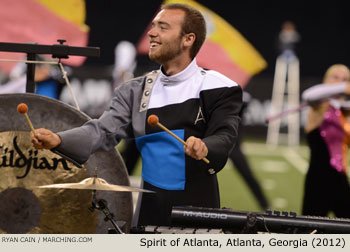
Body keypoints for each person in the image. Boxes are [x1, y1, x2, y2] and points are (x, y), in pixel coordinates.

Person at [30, 3, 242, 227]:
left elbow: (225, 135)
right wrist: (60, 139)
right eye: (153, 26)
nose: (151, 33)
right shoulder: (134, 91)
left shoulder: (218, 87)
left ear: (188, 39)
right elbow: (103, 130)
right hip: (147, 214)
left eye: (163, 27)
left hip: (198, 215)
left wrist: (205, 146)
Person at [301, 64, 350, 218]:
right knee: (309, 234)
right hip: (318, 181)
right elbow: (308, 95)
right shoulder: (319, 105)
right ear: (325, 80)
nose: (340, 82)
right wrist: (344, 86)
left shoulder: (346, 111)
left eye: (345, 79)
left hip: (340, 180)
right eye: (335, 77)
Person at [229, 91, 269, 210]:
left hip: (233, 145)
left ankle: (264, 204)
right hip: (216, 143)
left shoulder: (241, 97)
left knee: (247, 174)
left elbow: (245, 101)